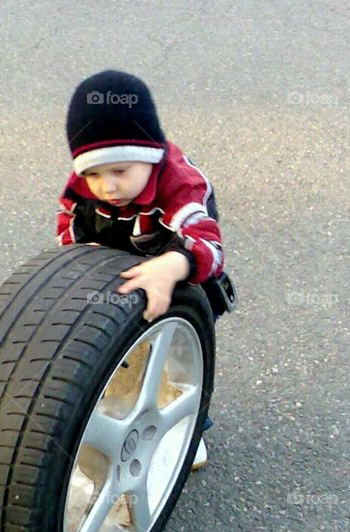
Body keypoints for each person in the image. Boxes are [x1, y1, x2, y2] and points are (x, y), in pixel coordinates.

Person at [54, 69, 226, 470]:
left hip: (181, 278)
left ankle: (188, 430)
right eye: (94, 174)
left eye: (120, 172)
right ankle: (110, 410)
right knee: (116, 357)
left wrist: (172, 265)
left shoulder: (181, 187)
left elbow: (212, 249)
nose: (107, 187)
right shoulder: (86, 184)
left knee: (175, 361)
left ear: (150, 156)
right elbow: (68, 225)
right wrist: (80, 264)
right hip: (119, 270)